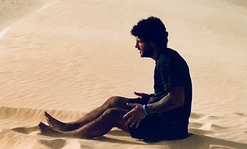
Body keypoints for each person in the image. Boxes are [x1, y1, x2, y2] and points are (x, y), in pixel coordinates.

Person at [40, 16, 192, 142]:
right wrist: (153, 98)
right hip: (164, 119)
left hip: (170, 130)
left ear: (151, 41)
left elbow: (177, 100)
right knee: (114, 101)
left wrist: (145, 109)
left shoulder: (167, 62)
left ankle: (68, 136)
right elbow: (170, 93)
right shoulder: (166, 57)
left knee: (112, 114)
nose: (136, 46)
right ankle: (70, 126)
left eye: (139, 41)